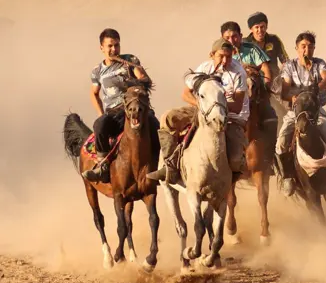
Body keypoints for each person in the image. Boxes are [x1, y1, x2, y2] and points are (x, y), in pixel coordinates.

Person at [146, 39, 248, 184]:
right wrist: (201, 105)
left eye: (229, 56)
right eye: (221, 56)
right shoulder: (203, 68)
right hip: (200, 109)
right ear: (212, 54)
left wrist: (216, 106)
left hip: (227, 115)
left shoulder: (238, 72)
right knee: (167, 118)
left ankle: (231, 179)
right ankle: (170, 165)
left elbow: (237, 106)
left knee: (236, 159)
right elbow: (185, 94)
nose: (225, 60)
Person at [275, 31, 326, 191]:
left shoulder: (319, 64)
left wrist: (315, 89)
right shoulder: (290, 66)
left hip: (315, 110)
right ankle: (288, 177)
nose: (306, 50)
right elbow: (284, 90)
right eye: (303, 46)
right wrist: (292, 96)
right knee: (281, 141)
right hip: (296, 111)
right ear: (297, 48)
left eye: (310, 47)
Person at [83, 28, 157, 182]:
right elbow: (94, 93)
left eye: (117, 45)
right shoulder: (97, 71)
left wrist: (138, 78)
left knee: (154, 123)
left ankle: (162, 165)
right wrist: (100, 113)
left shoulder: (130, 60)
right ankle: (103, 167)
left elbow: (143, 80)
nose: (114, 49)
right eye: (110, 46)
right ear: (101, 48)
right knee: (99, 125)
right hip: (113, 113)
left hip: (134, 108)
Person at [221, 21, 278, 148]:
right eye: (227, 38)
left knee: (271, 117)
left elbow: (265, 68)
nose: (231, 40)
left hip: (256, 94)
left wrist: (266, 85)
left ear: (241, 36)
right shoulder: (220, 54)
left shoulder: (251, 49)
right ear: (222, 39)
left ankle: (274, 152)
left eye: (235, 36)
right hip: (230, 95)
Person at [243, 11, 289, 76]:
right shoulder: (244, 43)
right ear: (251, 29)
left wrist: (283, 73)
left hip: (274, 80)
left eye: (262, 27)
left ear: (266, 26)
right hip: (253, 81)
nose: (260, 30)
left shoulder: (274, 39)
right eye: (256, 27)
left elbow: (285, 60)